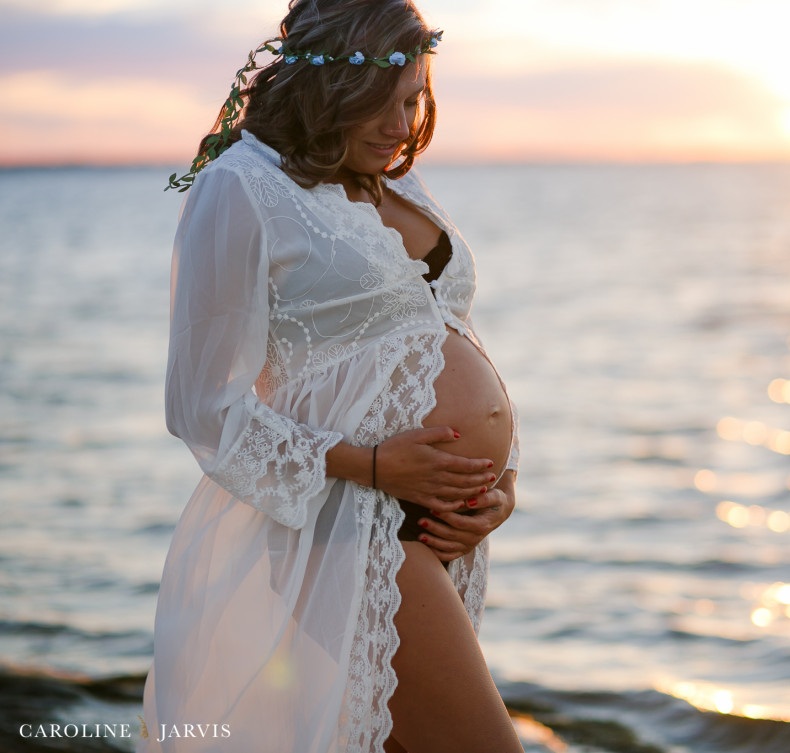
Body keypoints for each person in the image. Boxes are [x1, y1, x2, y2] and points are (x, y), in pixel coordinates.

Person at [140, 1, 525, 750]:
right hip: (348, 525)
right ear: (326, 88)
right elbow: (202, 406)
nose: (400, 126)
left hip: (441, 526)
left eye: (413, 100)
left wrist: (502, 486)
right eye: (379, 104)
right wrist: (374, 466)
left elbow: (444, 333)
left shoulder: (395, 183)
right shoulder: (242, 186)